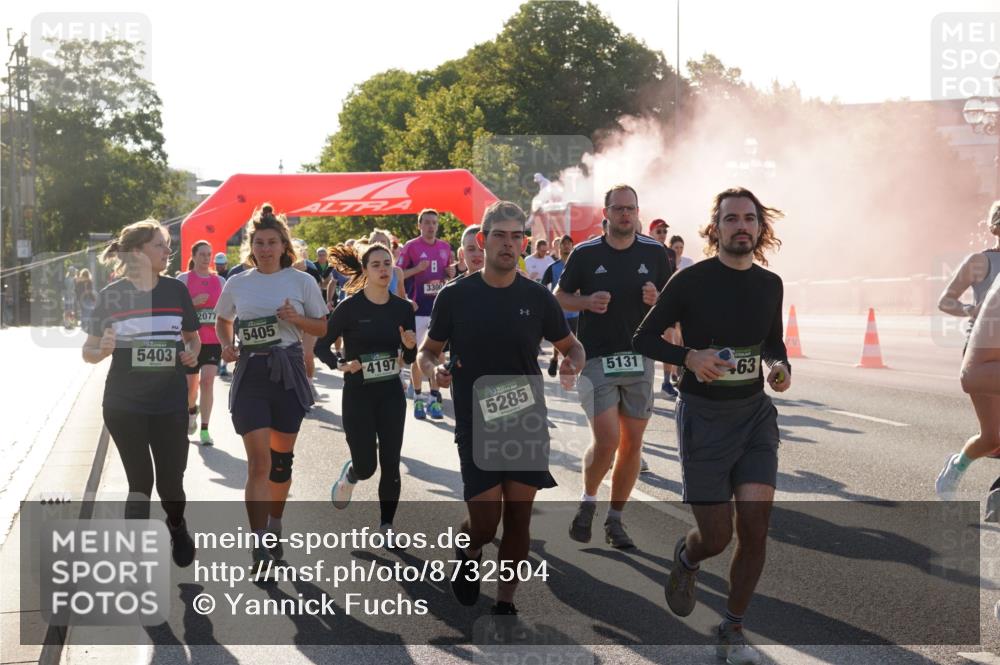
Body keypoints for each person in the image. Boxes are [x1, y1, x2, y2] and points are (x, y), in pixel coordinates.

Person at [633, 186, 790, 665]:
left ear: (759, 228)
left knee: (757, 527)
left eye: (749, 219)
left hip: (754, 417)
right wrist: (688, 357)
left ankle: (733, 624)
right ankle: (687, 557)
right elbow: (643, 339)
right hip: (703, 418)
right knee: (717, 537)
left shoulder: (770, 284)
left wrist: (779, 366)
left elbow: (773, 344)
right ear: (715, 228)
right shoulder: (691, 282)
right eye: (731, 219)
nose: (741, 226)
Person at [418, 200, 584, 620]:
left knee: (519, 517)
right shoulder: (456, 296)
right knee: (486, 522)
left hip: (525, 417)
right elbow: (428, 351)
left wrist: (572, 361)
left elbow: (572, 345)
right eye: (500, 236)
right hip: (476, 418)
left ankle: (506, 602)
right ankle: (469, 548)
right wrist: (434, 368)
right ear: (482, 240)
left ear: (524, 243)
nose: (508, 245)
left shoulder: (536, 296)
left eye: (516, 237)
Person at [214, 204, 329, 569]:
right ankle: (259, 542)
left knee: (281, 463)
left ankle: (275, 523)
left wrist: (297, 319)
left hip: (288, 373)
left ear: (283, 245)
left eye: (272, 242)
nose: (265, 249)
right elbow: (222, 320)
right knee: (258, 464)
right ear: (251, 246)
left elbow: (322, 328)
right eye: (259, 242)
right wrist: (226, 344)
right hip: (252, 374)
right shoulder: (237, 283)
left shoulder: (302, 282)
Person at [557, 185, 671, 549]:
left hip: (639, 357)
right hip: (596, 358)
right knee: (607, 440)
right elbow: (559, 297)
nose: (625, 215)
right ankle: (589, 500)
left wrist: (657, 301)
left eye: (631, 209)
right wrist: (587, 301)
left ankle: (616, 519)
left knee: (632, 443)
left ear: (638, 212)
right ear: (605, 213)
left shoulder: (654, 252)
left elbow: (671, 302)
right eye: (618, 209)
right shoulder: (586, 253)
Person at [82, 219, 200, 567]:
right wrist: (102, 349)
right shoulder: (111, 296)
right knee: (140, 482)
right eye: (160, 245)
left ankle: (176, 526)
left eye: (167, 244)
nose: (168, 251)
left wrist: (191, 350)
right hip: (125, 403)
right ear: (138, 252)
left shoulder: (176, 291)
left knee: (171, 484)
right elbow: (87, 352)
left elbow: (192, 336)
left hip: (169, 403)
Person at [315, 242, 416, 538]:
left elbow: (409, 357)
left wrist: (409, 349)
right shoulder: (350, 307)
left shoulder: (402, 309)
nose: (384, 269)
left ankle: (386, 525)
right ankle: (351, 474)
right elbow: (322, 345)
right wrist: (340, 364)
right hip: (358, 394)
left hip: (390, 394)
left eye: (388, 263)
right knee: (367, 465)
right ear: (365, 270)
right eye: (376, 265)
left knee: (391, 462)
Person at [937, 201, 1000, 497]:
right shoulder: (980, 261)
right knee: (992, 438)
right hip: (984, 352)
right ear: (993, 227)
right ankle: (957, 467)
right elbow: (945, 300)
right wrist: (969, 309)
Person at [397, 208, 455, 420]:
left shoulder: (444, 247)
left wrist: (450, 273)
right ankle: (419, 399)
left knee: (438, 355)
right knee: (418, 356)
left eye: (434, 223)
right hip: (418, 309)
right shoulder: (411, 247)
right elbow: (398, 274)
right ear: (419, 225)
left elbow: (448, 275)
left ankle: (434, 400)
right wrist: (416, 269)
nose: (431, 226)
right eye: (427, 222)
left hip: (438, 310)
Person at [178, 240, 228, 445]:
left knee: (207, 382)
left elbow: (226, 313)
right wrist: (193, 304)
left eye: (209, 254)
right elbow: (175, 310)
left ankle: (205, 429)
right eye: (202, 254)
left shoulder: (220, 282)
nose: (206, 258)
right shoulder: (183, 279)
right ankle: (192, 411)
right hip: (189, 339)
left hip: (212, 340)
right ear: (194, 256)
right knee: (191, 388)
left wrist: (228, 340)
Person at [292, 239, 326, 401]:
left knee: (306, 354)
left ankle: (310, 384)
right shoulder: (280, 270)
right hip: (289, 320)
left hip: (309, 317)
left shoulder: (311, 269)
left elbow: (319, 289)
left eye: (303, 251)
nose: (302, 254)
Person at [541, 235, 579, 377]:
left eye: (569, 243)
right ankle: (555, 358)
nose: (566, 246)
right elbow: (543, 285)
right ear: (559, 247)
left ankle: (565, 363)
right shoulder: (553, 268)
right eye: (564, 244)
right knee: (560, 338)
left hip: (575, 310)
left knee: (574, 340)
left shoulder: (577, 266)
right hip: (558, 310)